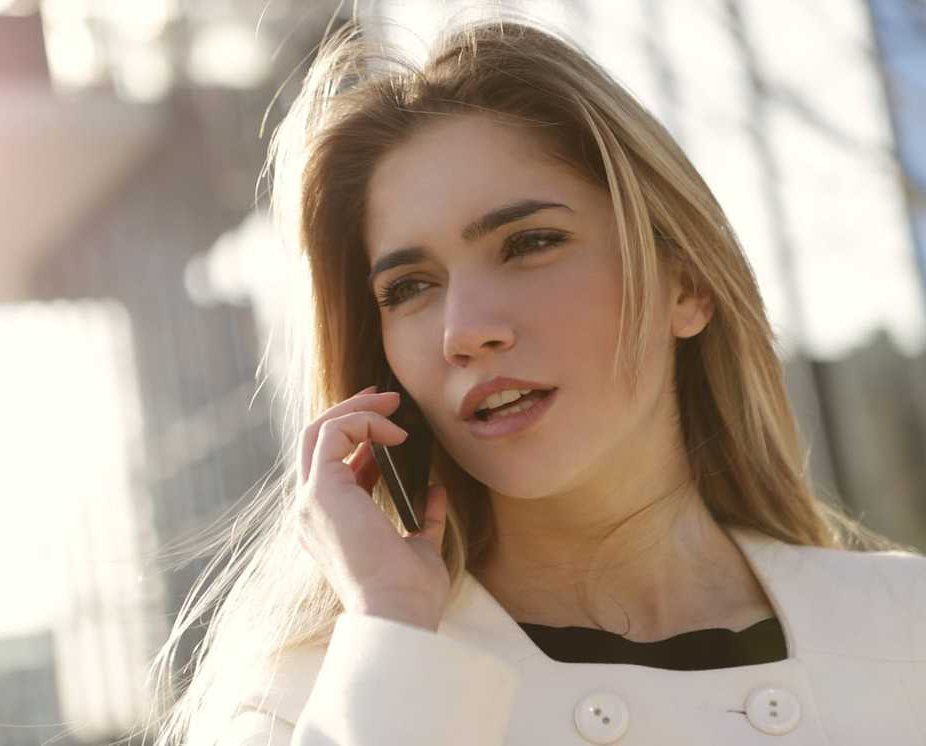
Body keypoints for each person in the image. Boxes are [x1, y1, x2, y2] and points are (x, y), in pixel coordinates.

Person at [141, 14, 925, 746]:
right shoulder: (308, 700)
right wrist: (396, 636)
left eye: (530, 243)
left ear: (685, 285)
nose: (463, 330)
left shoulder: (903, 628)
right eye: (409, 287)